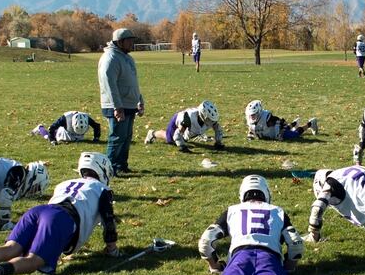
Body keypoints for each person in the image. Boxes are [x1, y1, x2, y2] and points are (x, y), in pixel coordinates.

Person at [0, 152, 119, 275]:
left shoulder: (65, 183)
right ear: (102, 170)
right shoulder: (102, 189)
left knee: (11, 247)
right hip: (61, 219)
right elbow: (108, 220)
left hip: (38, 211)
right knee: (34, 260)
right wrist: (112, 248)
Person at [199, 175, 304, 275]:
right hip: (269, 256)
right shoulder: (277, 211)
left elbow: (205, 242)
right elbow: (296, 244)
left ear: (242, 193)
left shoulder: (232, 210)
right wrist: (289, 267)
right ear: (266, 193)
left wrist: (214, 265)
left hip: (240, 255)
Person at [98, 28, 145, 176]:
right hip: (117, 106)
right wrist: (117, 107)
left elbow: (133, 82)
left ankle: (121, 165)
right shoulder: (110, 58)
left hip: (129, 104)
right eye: (129, 41)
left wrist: (139, 99)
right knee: (117, 137)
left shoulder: (128, 58)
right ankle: (110, 168)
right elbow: (109, 84)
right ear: (120, 42)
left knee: (126, 137)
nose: (132, 43)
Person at [145, 101, 225, 153]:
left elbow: (218, 129)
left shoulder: (208, 119)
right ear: (202, 115)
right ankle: (152, 133)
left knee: (185, 138)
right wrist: (183, 147)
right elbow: (177, 134)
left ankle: (184, 140)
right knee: (171, 139)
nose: (211, 122)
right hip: (177, 121)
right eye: (209, 119)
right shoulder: (188, 118)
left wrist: (218, 142)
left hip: (192, 127)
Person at [245, 100, 318, 140]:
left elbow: (279, 121)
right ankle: (295, 123)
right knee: (285, 128)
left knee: (295, 134)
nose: (252, 117)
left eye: (254, 114)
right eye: (251, 115)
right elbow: (251, 127)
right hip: (270, 133)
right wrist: (250, 133)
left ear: (259, 111)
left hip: (277, 133)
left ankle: (311, 123)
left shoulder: (266, 118)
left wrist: (280, 133)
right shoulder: (250, 118)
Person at [30, 111, 101, 145]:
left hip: (78, 137)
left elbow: (96, 126)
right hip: (64, 133)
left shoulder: (86, 117)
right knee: (47, 136)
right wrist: (52, 140)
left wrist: (96, 138)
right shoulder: (66, 117)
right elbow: (52, 127)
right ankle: (40, 128)